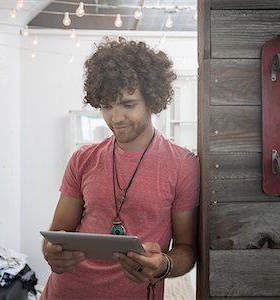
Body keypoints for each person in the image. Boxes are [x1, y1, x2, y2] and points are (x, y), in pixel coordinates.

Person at [41, 37, 200, 300]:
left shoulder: (182, 164)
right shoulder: (83, 159)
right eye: (106, 106)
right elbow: (57, 233)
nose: (115, 118)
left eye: (128, 104)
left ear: (152, 100)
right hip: (66, 291)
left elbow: (187, 249)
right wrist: (50, 251)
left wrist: (163, 266)